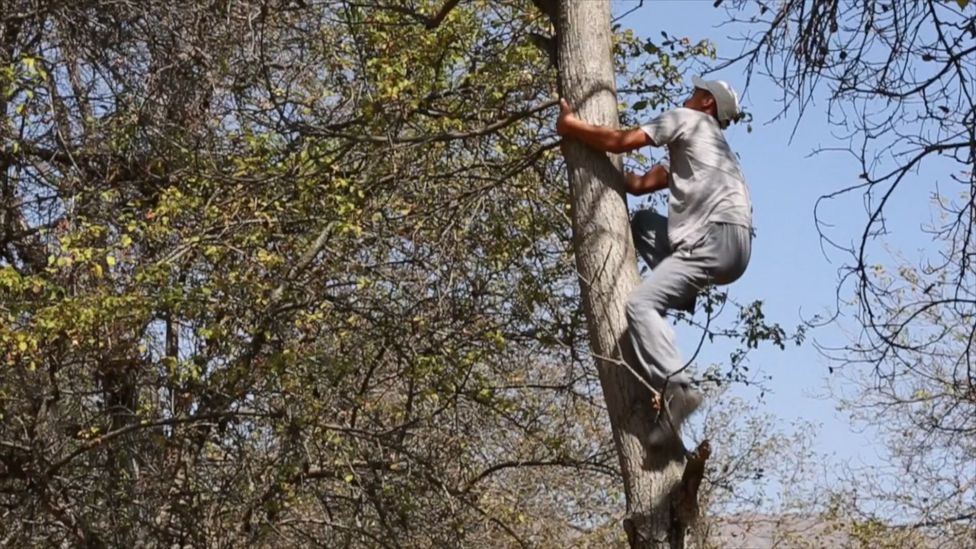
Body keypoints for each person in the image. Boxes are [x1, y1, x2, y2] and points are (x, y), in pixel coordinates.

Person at [556, 77, 753, 446]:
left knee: (640, 304)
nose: (687, 96)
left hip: (714, 238)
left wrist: (572, 127)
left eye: (696, 92)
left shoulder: (687, 120)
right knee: (645, 224)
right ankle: (682, 292)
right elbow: (638, 184)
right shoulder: (710, 152)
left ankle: (680, 388)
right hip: (736, 247)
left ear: (707, 103)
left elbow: (619, 141)